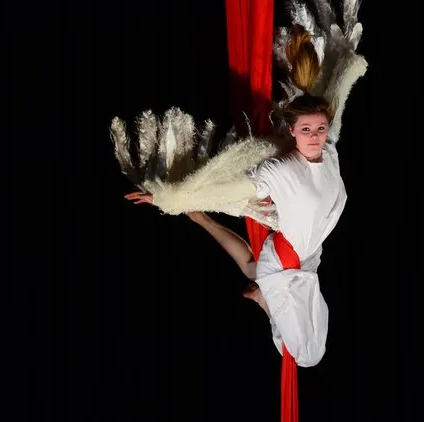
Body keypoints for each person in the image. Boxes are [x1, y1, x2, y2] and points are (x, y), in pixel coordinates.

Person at [124, 24, 349, 367]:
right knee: (309, 355)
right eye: (305, 130)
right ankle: (262, 294)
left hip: (297, 254)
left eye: (319, 129)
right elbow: (228, 188)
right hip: (294, 256)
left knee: (257, 272)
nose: (315, 136)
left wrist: (345, 65)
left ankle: (257, 286)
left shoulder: (328, 151)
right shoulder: (280, 171)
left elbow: (333, 106)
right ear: (292, 131)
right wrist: (172, 199)